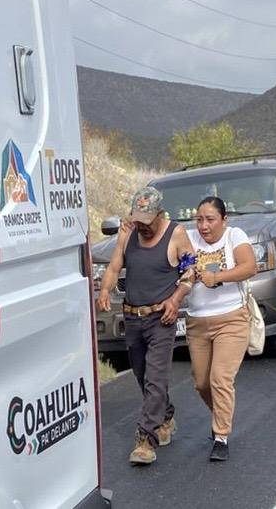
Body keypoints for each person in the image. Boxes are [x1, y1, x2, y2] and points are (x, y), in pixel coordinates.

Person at [96, 186, 195, 466]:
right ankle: (164, 415)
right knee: (141, 375)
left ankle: (145, 438)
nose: (142, 225)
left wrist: (176, 299)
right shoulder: (128, 233)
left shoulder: (176, 234)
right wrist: (105, 291)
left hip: (161, 317)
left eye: (147, 220)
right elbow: (114, 267)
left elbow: (190, 272)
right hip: (132, 317)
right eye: (137, 218)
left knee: (155, 377)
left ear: (160, 214)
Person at [182, 196, 257, 461]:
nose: (204, 225)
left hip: (231, 318)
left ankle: (221, 436)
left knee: (220, 378)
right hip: (197, 321)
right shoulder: (188, 237)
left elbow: (250, 266)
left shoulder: (234, 236)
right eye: (199, 219)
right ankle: (221, 415)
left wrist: (218, 277)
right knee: (202, 383)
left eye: (211, 219)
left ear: (224, 220)